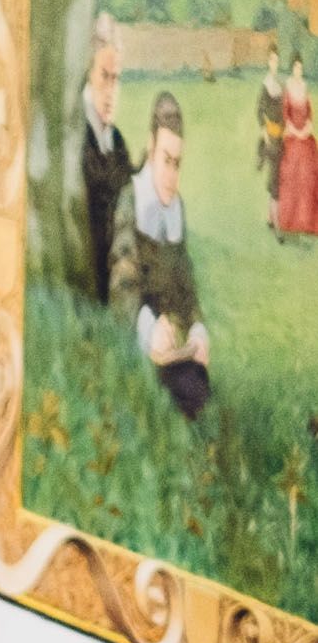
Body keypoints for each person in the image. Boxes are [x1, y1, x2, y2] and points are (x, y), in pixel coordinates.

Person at [108, 91, 211, 420]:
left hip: (173, 345)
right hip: (140, 336)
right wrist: (149, 329)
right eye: (166, 160)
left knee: (197, 389)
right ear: (151, 151)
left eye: (178, 164)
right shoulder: (131, 200)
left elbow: (185, 284)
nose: (171, 174)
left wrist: (196, 328)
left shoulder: (176, 207)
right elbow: (122, 284)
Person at [78, 38, 130, 304]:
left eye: (116, 79)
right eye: (104, 77)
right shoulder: (78, 138)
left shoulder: (117, 141)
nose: (111, 89)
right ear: (89, 75)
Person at [279, 55, 318, 240]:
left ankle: (307, 222)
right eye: (296, 67)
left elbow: (310, 114)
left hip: (306, 137)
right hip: (293, 136)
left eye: (300, 68)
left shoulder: (304, 86)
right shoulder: (288, 87)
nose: (298, 71)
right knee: (293, 175)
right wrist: (296, 131)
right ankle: (291, 222)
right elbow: (286, 115)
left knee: (309, 175)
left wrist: (307, 129)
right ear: (292, 68)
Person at [258, 42, 286, 231]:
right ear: (268, 62)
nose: (275, 63)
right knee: (275, 178)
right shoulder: (266, 85)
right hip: (271, 137)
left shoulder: (280, 84)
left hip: (283, 137)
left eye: (277, 60)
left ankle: (270, 217)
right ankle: (276, 223)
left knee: (278, 176)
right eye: (272, 60)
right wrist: (265, 133)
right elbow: (259, 111)